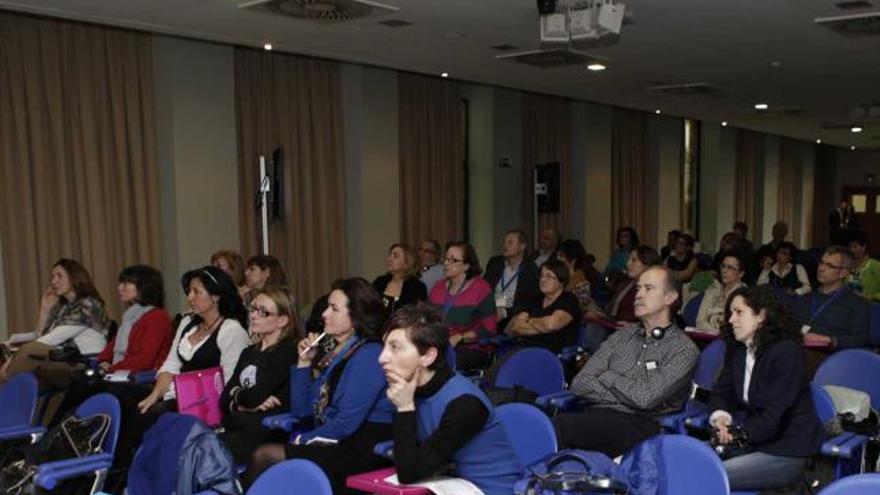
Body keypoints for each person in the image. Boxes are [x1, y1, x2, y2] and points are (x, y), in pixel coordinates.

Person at [248, 278, 394, 494]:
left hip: (363, 449)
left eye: (334, 309)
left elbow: (346, 423)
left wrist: (303, 440)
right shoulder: (338, 353)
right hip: (336, 440)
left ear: (355, 316)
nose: (324, 314)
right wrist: (304, 363)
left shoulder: (369, 355)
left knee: (266, 456)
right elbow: (302, 410)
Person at [553, 266, 699, 457]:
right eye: (638, 288)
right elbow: (580, 383)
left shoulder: (684, 349)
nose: (638, 295)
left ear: (669, 298)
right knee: (544, 420)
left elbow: (645, 399)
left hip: (641, 427)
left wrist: (607, 376)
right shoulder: (621, 336)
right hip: (597, 415)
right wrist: (628, 397)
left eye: (648, 288)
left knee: (561, 426)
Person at [379, 303, 523, 494]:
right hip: (446, 482)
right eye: (385, 347)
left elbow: (409, 473)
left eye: (395, 348)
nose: (382, 358)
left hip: (489, 490)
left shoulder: (465, 404)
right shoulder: (408, 390)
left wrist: (405, 408)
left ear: (427, 357)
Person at [114, 266, 250, 466]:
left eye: (197, 292)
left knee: (152, 416)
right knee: (125, 399)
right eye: (189, 292)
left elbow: (229, 383)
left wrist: (177, 399)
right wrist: (154, 395)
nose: (190, 298)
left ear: (216, 297)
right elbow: (170, 365)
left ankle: (135, 470)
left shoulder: (231, 330)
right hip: (175, 392)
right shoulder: (188, 322)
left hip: (206, 402)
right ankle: (118, 467)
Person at [708, 286, 824, 491]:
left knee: (707, 475)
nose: (731, 319)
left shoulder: (787, 352)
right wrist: (721, 418)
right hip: (753, 441)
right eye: (731, 313)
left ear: (761, 316)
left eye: (739, 312)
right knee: (688, 463)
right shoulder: (739, 351)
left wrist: (736, 434)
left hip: (787, 449)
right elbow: (721, 393)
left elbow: (774, 415)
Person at [49, 265, 173, 426]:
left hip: (144, 378)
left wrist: (110, 368)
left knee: (98, 388)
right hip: (122, 374)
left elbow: (144, 359)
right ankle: (58, 432)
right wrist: (103, 362)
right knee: (80, 380)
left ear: (143, 287)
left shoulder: (157, 318)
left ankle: (63, 434)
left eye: (126, 283)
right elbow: (110, 348)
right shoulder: (131, 316)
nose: (119, 288)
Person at [219, 287, 301, 464]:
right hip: (239, 426)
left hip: (267, 431)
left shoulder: (288, 351)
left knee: (203, 451)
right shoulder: (248, 352)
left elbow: (254, 396)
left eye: (263, 312)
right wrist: (246, 405)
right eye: (253, 309)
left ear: (282, 320)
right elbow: (224, 401)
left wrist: (238, 398)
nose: (253, 315)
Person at [3, 259, 110, 387]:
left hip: (84, 363)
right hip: (65, 360)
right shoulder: (66, 307)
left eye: (59, 276)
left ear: (75, 277)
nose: (53, 282)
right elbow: (41, 336)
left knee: (28, 352)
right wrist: (45, 309)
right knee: (24, 356)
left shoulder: (88, 305)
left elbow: (48, 341)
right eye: (53, 277)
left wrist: (13, 359)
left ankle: (5, 386)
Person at [429, 242, 497, 371]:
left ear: (466, 265)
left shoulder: (481, 289)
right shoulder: (438, 287)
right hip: (439, 345)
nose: (446, 263)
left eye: (453, 260)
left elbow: (489, 330)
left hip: (470, 348)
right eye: (446, 259)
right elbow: (428, 319)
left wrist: (461, 337)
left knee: (437, 364)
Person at [794, 246, 868, 350]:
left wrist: (829, 340)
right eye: (821, 262)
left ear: (844, 273)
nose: (821, 268)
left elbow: (858, 340)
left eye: (830, 266)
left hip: (830, 357)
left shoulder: (856, 304)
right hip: (797, 349)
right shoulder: (805, 298)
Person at [504, 260, 583, 354]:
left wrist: (529, 320)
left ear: (561, 281)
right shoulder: (535, 299)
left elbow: (551, 325)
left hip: (550, 354)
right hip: (523, 348)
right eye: (541, 275)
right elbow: (516, 327)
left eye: (548, 276)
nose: (543, 279)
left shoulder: (568, 300)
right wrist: (544, 327)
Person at [484, 230, 540, 328]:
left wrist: (505, 312)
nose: (505, 246)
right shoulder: (495, 265)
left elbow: (530, 301)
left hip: (514, 317)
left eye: (510, 242)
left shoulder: (531, 269)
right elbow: (483, 290)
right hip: (490, 313)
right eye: (504, 242)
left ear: (522, 246)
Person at [695, 252, 747, 334]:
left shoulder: (745, 295)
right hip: (709, 337)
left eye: (730, 268)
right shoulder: (712, 291)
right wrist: (717, 333)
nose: (724, 271)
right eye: (723, 266)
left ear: (741, 273)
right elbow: (699, 322)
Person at [372, 243, 427, 315]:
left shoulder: (417, 287)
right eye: (389, 255)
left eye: (395, 256)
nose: (389, 259)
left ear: (407, 263)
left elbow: (417, 315)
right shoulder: (379, 281)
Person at [556, 239, 601, 316]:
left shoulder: (580, 279)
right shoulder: (562, 275)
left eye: (561, 256)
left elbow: (582, 306)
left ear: (572, 260)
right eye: (557, 256)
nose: (557, 259)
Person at [847, 230, 880, 301]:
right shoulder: (848, 265)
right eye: (850, 247)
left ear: (864, 247)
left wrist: (872, 297)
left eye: (855, 246)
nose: (851, 250)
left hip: (870, 308)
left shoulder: (874, 265)